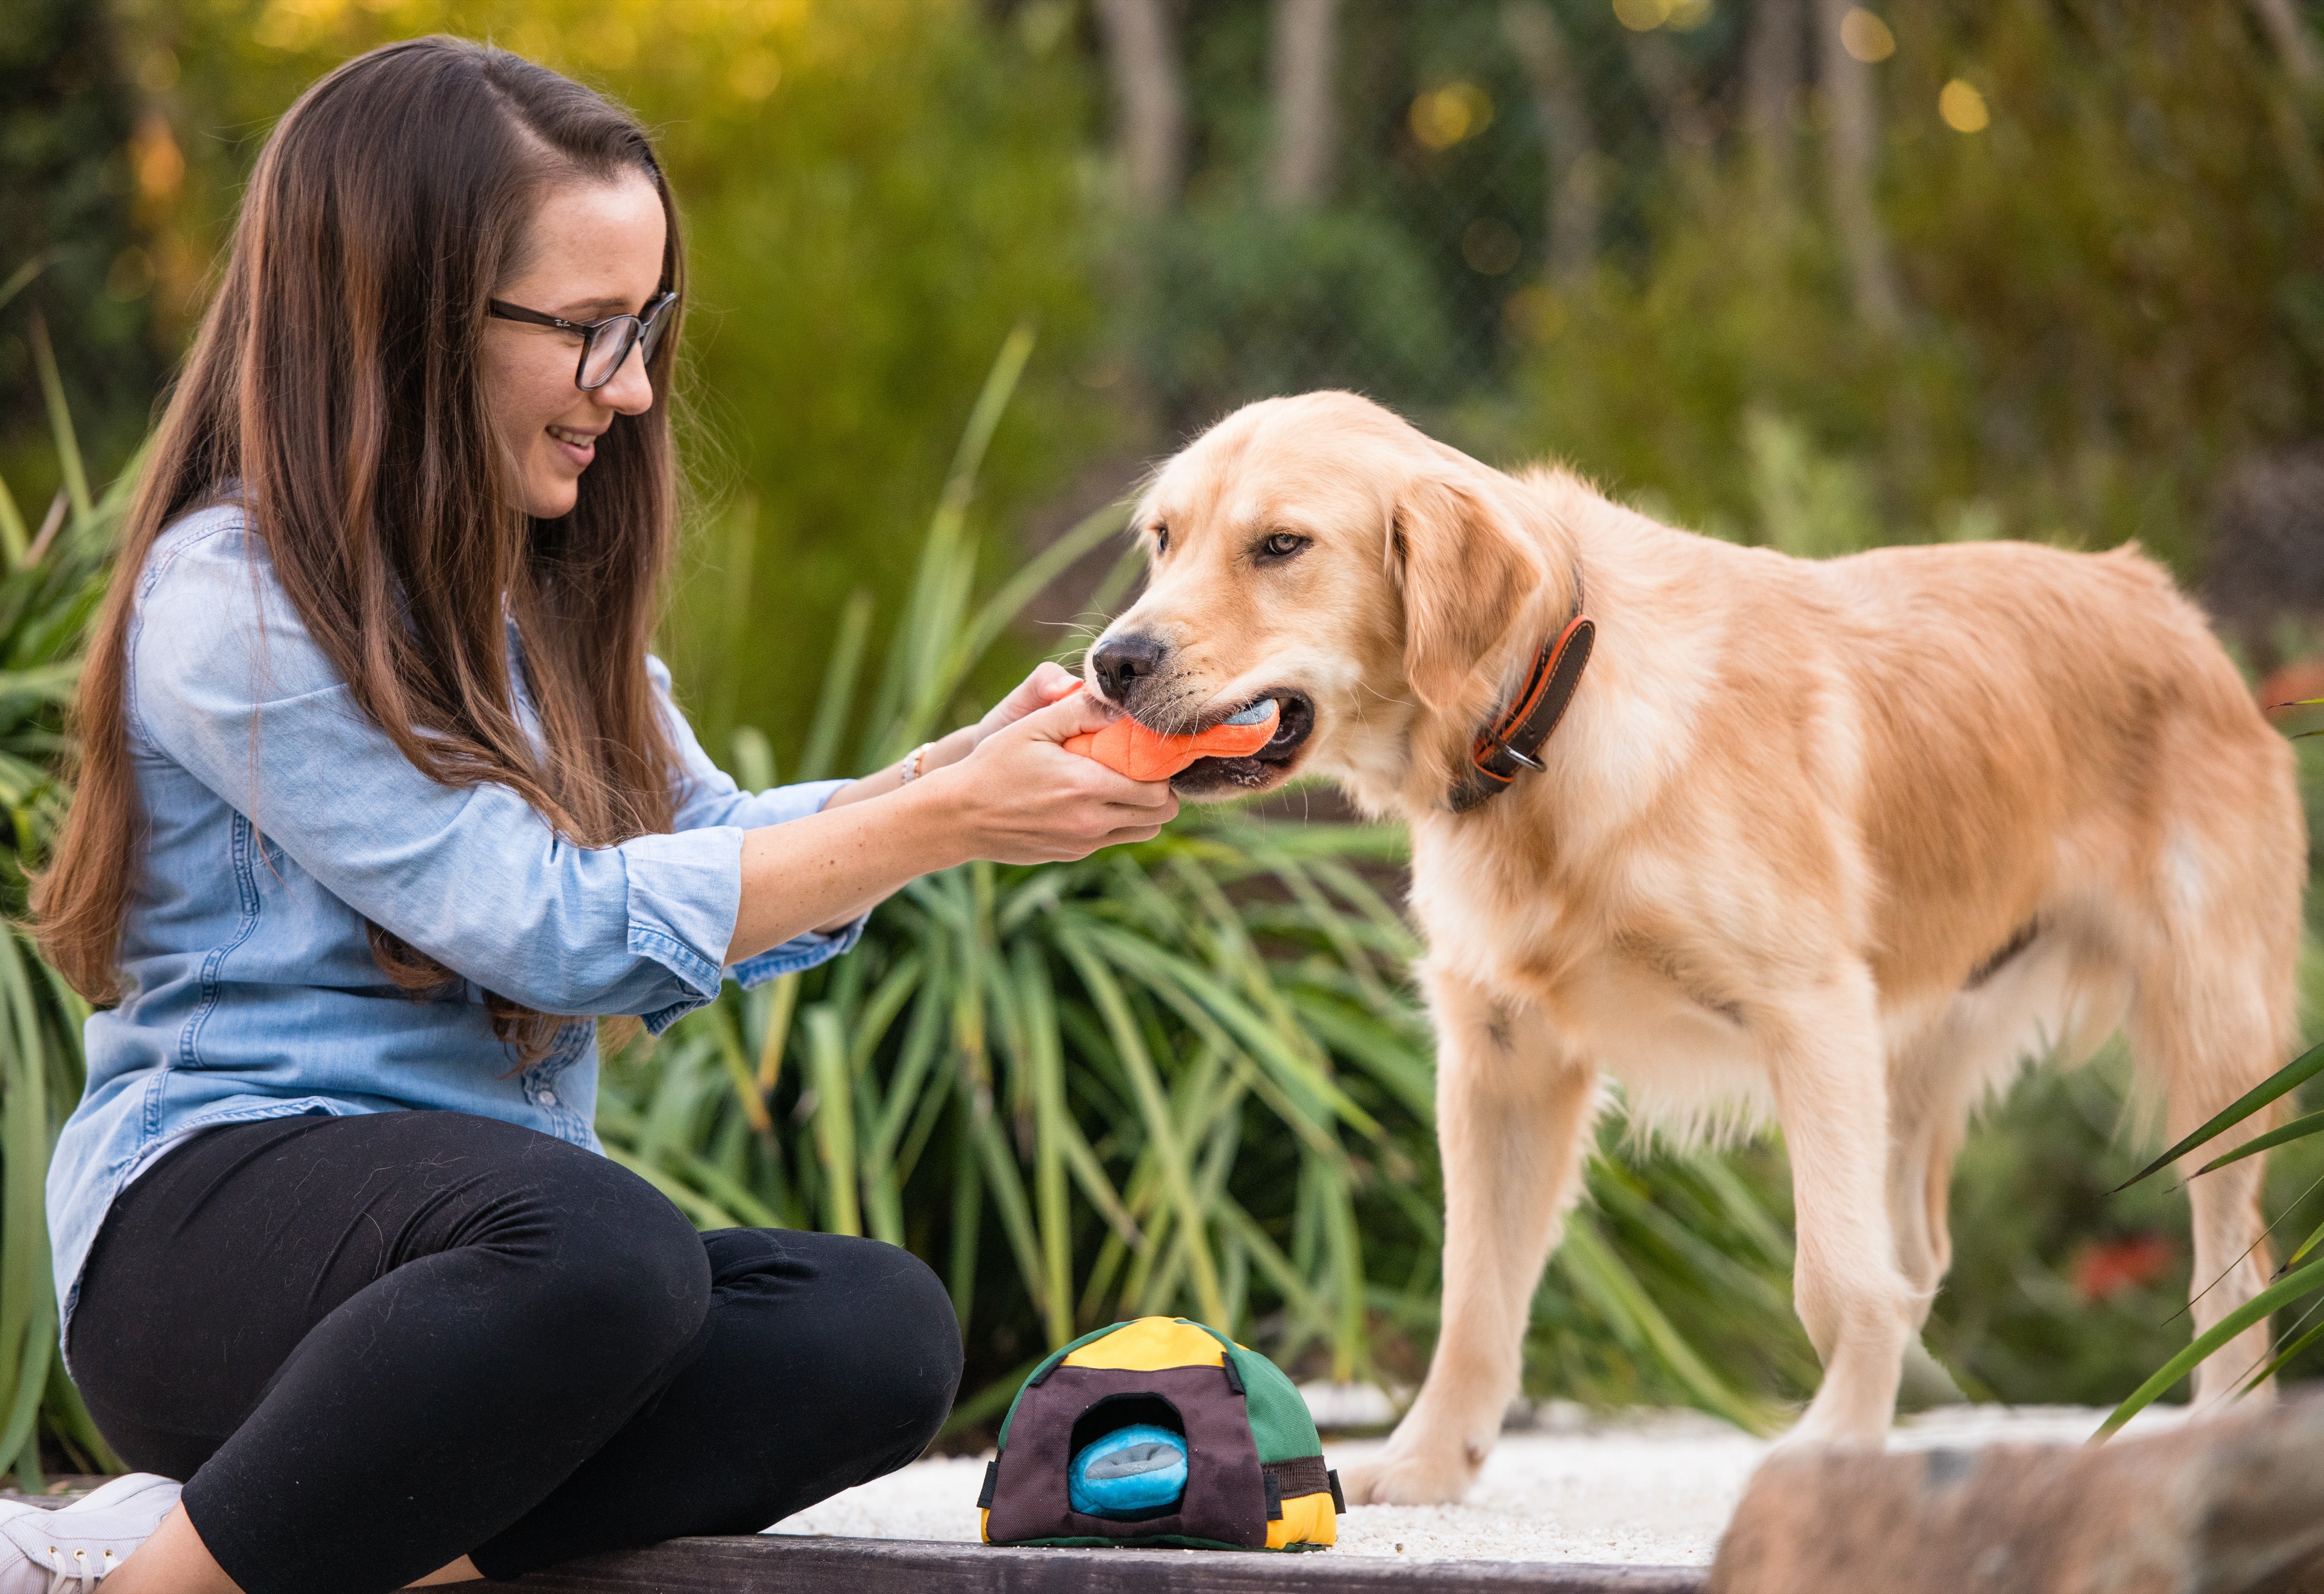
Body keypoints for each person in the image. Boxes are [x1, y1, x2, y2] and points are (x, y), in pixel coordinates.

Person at [21, 35, 1174, 1594]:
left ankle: (309, 1535)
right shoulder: (232, 600)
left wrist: (955, 771)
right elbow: (547, 925)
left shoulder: (530, 598)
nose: (629, 392)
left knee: (876, 1329)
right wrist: (946, 822)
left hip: (498, 1281)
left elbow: (702, 835)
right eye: (584, 332)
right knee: (606, 1251)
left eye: (645, 330)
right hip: (211, 1244)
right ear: (403, 319)